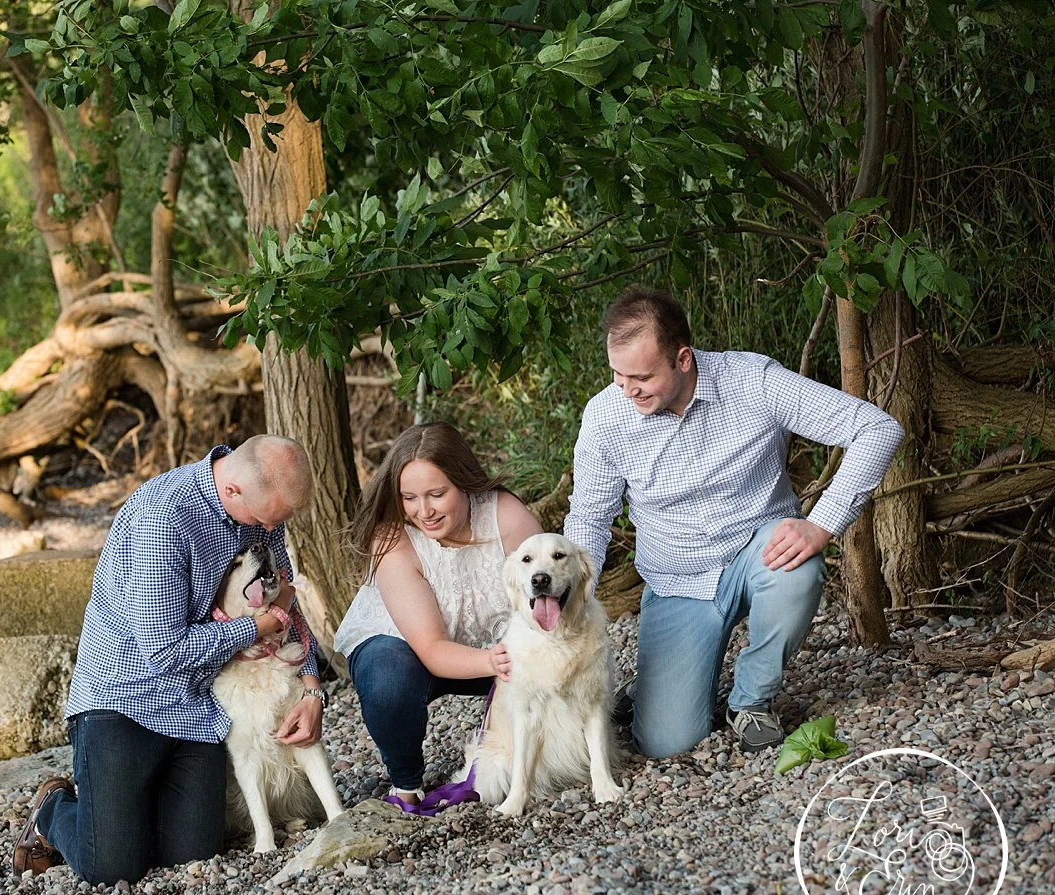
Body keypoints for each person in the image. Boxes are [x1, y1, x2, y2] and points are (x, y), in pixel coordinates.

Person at [563, 286, 904, 759]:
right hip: (677, 578)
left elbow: (877, 428)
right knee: (667, 742)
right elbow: (590, 516)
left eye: (641, 376)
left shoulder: (752, 380)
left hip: (758, 549)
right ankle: (659, 680)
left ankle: (750, 701)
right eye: (618, 375)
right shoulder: (606, 416)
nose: (627, 389)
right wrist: (572, 594)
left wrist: (823, 522)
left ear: (683, 358)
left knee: (797, 569)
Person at [13, 435, 327, 885]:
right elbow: (165, 651)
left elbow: (285, 609)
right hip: (122, 702)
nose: (270, 532)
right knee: (112, 869)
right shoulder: (162, 520)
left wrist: (313, 688)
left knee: (192, 856)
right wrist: (254, 629)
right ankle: (52, 811)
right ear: (234, 490)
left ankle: (131, 808)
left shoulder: (263, 515)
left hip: (197, 707)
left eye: (277, 522)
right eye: (265, 519)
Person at [335, 422, 544, 805]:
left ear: (463, 482)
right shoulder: (393, 538)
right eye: (409, 498)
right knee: (387, 678)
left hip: (495, 649)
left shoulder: (508, 518)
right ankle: (407, 784)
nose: (424, 511)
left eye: (436, 494)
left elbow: (548, 605)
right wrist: (497, 661)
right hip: (414, 652)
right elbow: (431, 648)